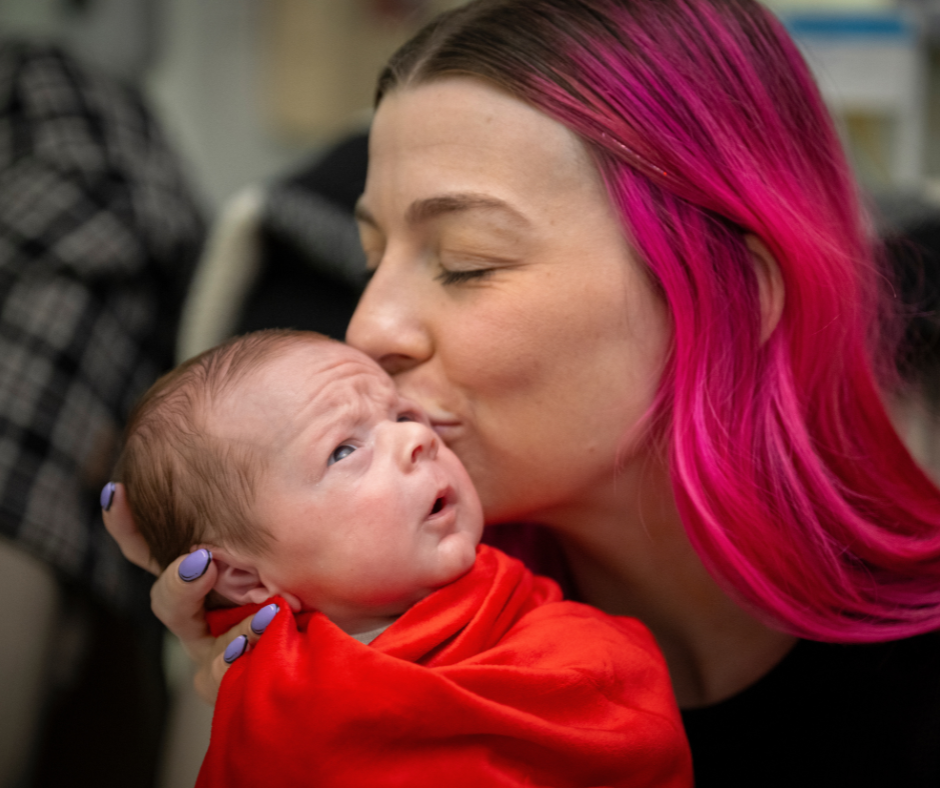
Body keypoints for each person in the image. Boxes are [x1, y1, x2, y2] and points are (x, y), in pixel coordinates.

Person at [104, 1, 940, 785]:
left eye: (467, 262)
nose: (366, 330)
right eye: (371, 257)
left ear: (740, 293)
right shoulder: (357, 624)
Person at [109, 328, 692, 787]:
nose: (418, 439)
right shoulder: (274, 703)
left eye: (402, 416)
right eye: (343, 449)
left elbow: (625, 723)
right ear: (240, 576)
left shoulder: (543, 629)